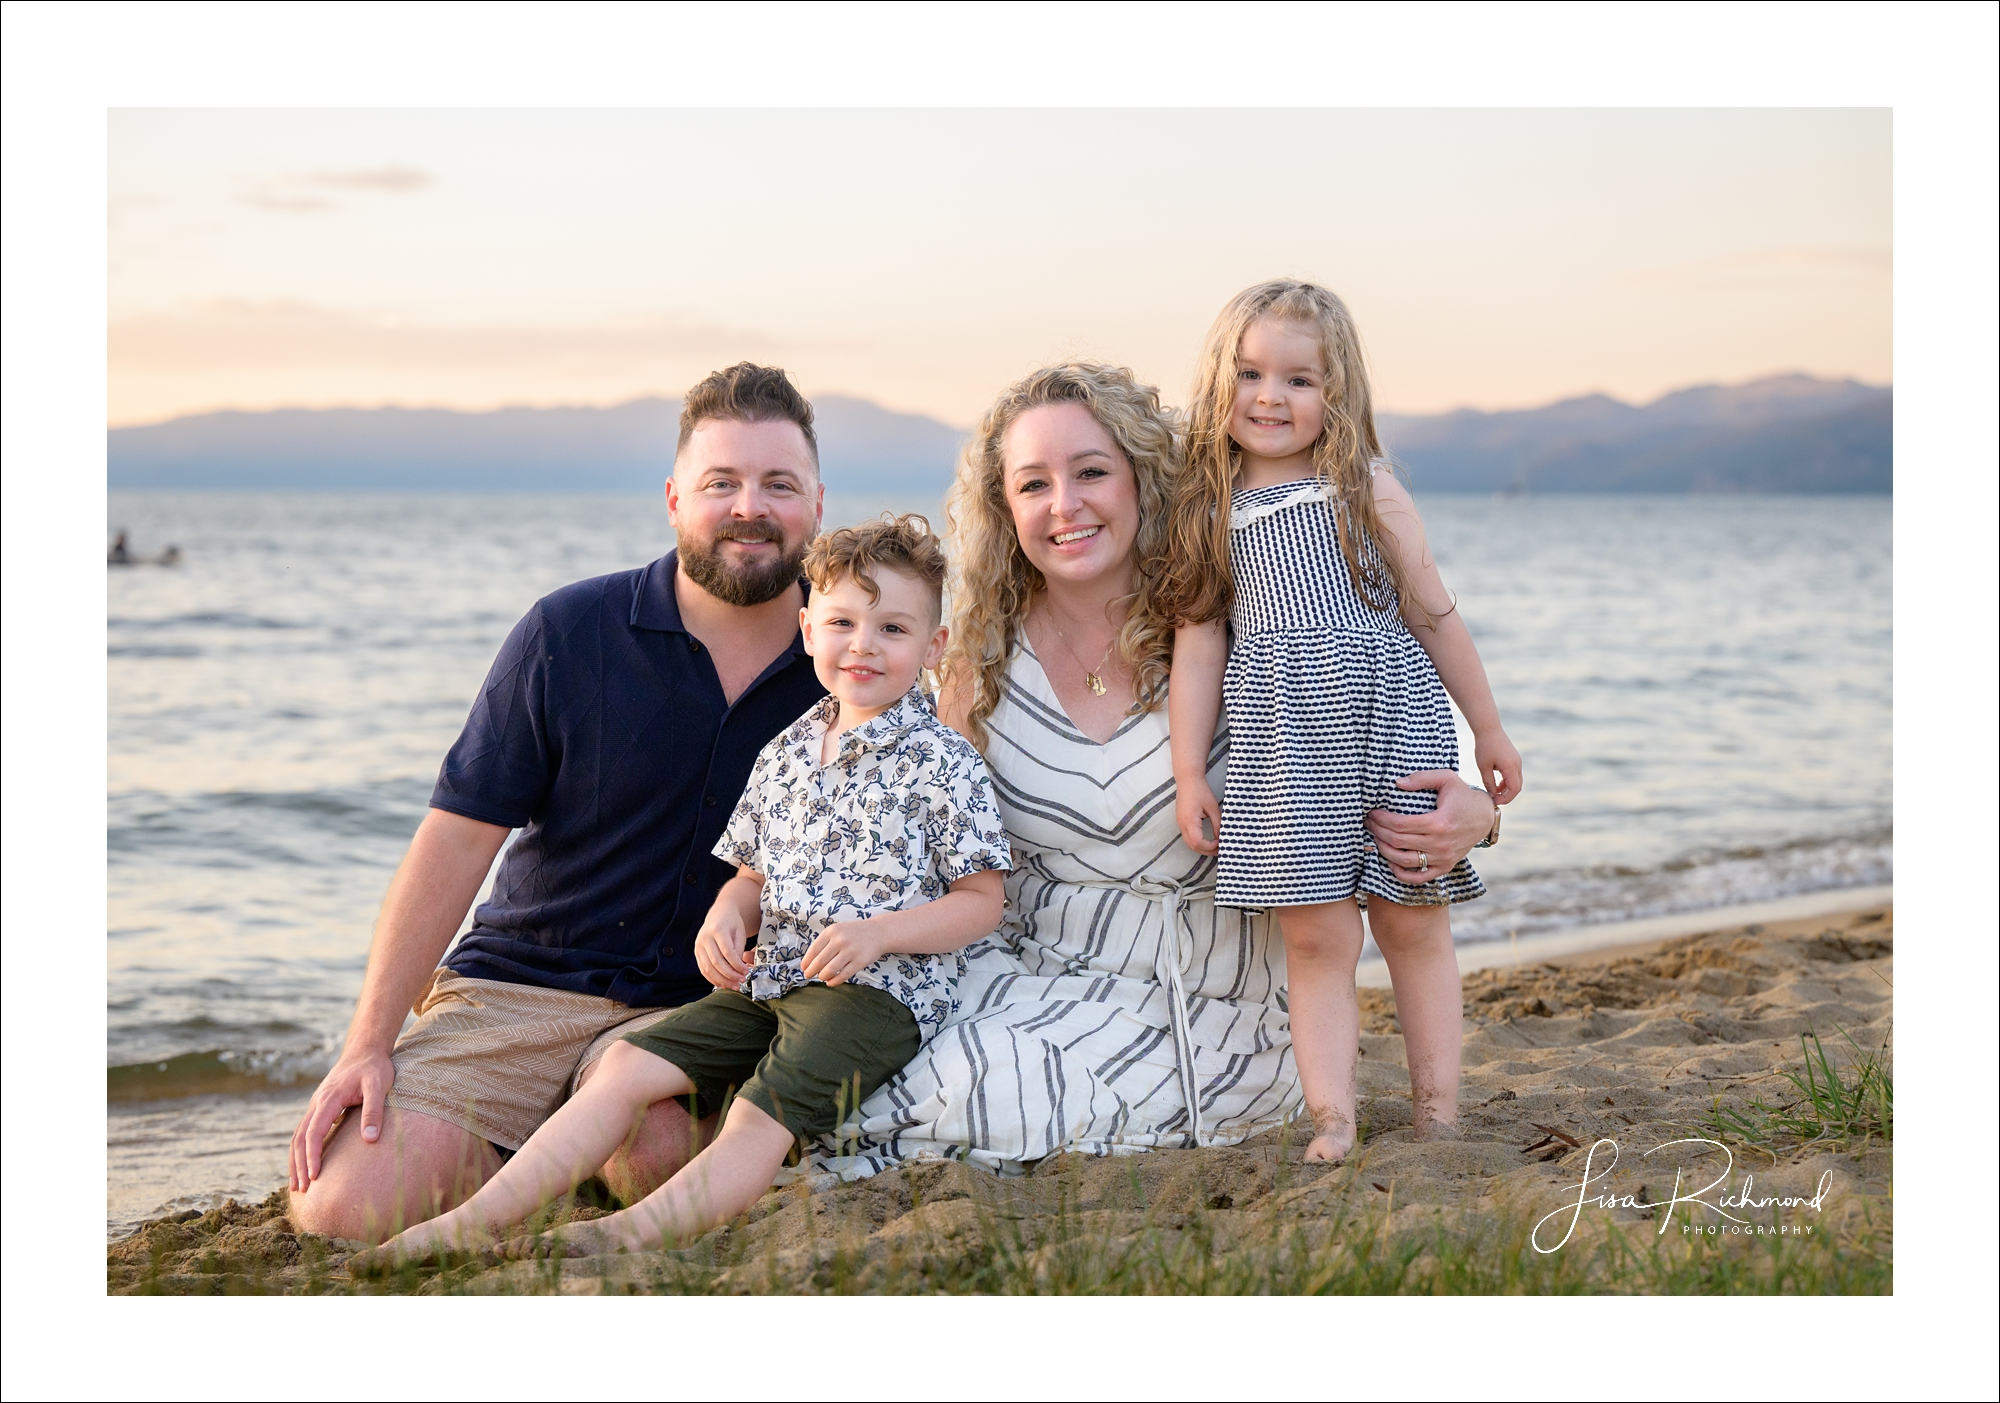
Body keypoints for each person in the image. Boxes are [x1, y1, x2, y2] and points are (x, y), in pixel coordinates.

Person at [816, 361, 1499, 1180]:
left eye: (1092, 472)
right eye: (1034, 484)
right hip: (1023, 975)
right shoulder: (975, 657)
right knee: (857, 1077)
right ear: (1005, 507)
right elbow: (916, 839)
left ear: (1145, 479)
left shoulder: (1244, 623)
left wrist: (1481, 817)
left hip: (1211, 1006)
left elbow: (1383, 736)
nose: (1065, 505)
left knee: (981, 1092)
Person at [352, 517, 1010, 1267]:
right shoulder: (789, 749)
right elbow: (752, 874)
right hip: (772, 979)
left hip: (875, 993)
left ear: (934, 647)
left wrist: (880, 933)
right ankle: (476, 1219)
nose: (862, 645)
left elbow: (980, 901)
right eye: (842, 623)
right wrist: (724, 920)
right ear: (806, 630)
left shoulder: (944, 763)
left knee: (763, 1112)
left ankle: (627, 1234)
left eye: (892, 627)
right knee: (630, 1066)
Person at [287, 363, 831, 1243]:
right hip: (521, 988)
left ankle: (555, 1152)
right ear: (672, 497)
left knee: (661, 1162)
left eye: (778, 484)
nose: (749, 507)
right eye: (720, 482)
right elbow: (454, 844)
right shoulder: (569, 632)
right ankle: (510, 1139)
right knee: (344, 1207)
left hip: (696, 1008)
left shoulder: (853, 665)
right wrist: (367, 1045)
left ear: (816, 501)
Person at [1163, 279, 1523, 1162]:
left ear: (1339, 392)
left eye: (1299, 380)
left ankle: (1439, 1107)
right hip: (1284, 745)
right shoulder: (1209, 508)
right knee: (1317, 931)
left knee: (1411, 913)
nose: (1271, 398)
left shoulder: (1366, 489)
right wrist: (1187, 770)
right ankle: (1335, 1115)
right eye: (1250, 374)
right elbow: (1200, 644)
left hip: (1393, 719)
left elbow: (1434, 614)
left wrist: (1488, 732)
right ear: (1221, 382)